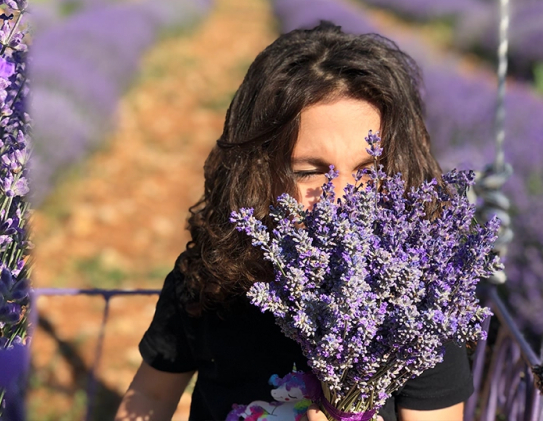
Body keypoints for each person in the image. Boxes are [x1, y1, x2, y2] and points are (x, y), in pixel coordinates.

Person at [114, 23, 473, 421]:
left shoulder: (419, 307)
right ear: (258, 172)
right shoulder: (210, 282)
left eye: (370, 172)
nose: (341, 201)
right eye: (309, 172)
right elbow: (151, 395)